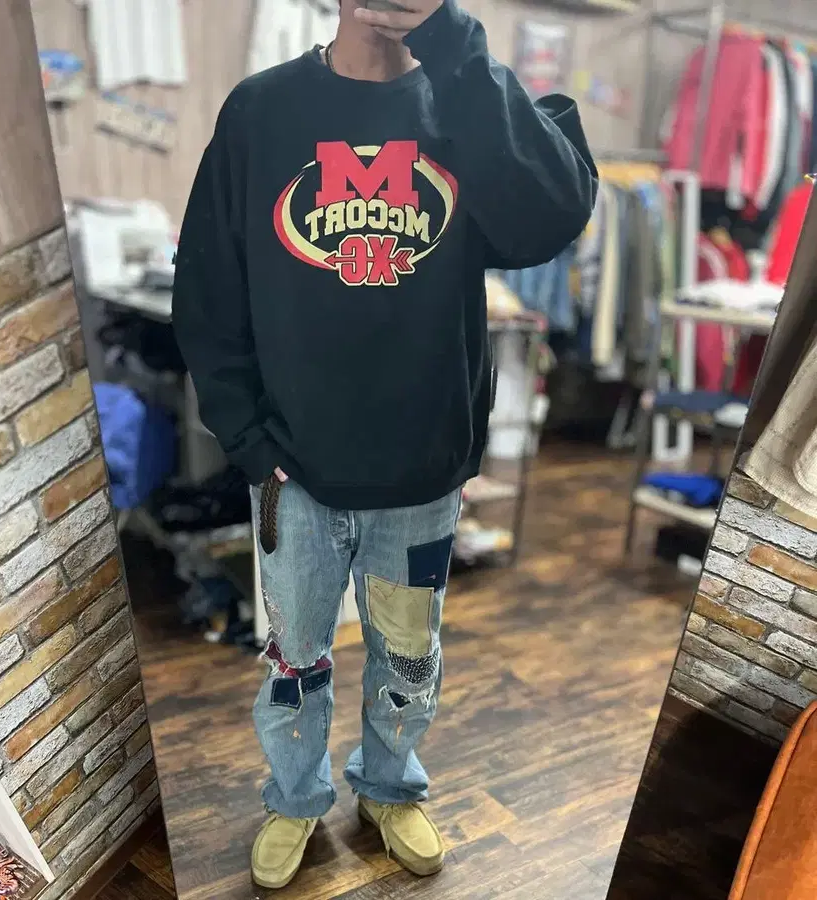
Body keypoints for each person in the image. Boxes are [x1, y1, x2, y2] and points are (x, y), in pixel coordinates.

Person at [172, 0, 597, 889]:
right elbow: (208, 290)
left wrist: (450, 41)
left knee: (409, 655)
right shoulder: (260, 111)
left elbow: (552, 217)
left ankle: (390, 786)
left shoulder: (468, 99)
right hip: (293, 478)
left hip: (422, 477)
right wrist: (247, 440)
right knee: (293, 659)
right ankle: (294, 799)